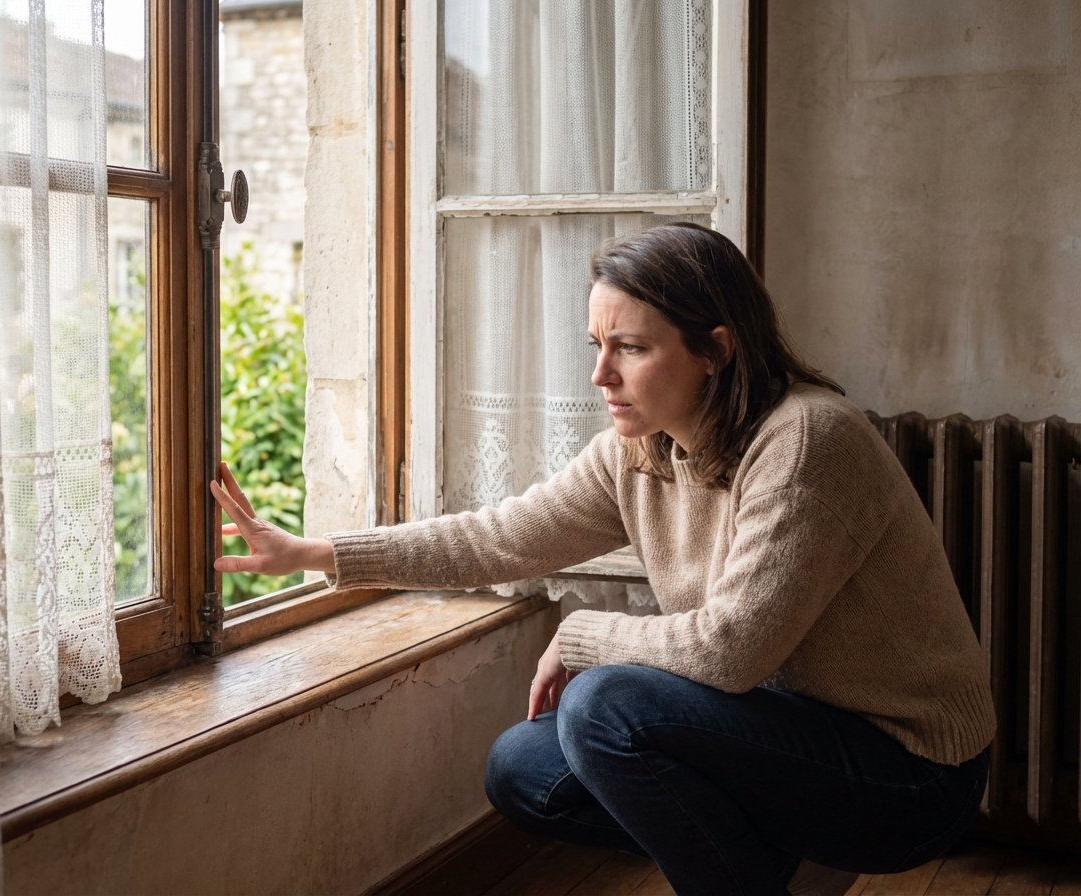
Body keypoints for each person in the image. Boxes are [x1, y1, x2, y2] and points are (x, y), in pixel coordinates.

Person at [210, 223, 995, 896]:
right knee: (524, 768)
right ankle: (763, 868)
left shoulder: (807, 442)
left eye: (631, 347)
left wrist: (583, 636)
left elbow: (728, 652)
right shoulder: (640, 452)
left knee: (603, 707)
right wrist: (316, 552)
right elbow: (498, 537)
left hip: (910, 769)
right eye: (597, 344)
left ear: (715, 350)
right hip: (782, 732)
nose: (600, 374)